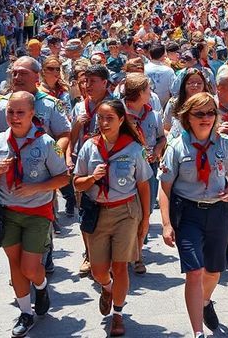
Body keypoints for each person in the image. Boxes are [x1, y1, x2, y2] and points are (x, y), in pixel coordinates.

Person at [0, 91, 69, 337]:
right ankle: (25, 313)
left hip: (37, 213)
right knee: (15, 265)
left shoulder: (47, 143)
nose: (15, 117)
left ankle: (41, 287)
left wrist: (36, 187)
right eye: (10, 112)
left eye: (20, 112)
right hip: (8, 212)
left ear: (32, 114)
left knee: (30, 268)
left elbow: (63, 178)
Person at [158, 92, 228, 338]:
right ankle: (198, 332)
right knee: (194, 271)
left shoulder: (224, 144)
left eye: (210, 113)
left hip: (217, 213)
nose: (206, 118)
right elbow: (165, 188)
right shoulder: (177, 146)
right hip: (188, 214)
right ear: (188, 118)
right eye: (199, 114)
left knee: (214, 271)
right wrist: (166, 224)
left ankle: (205, 301)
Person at [73, 99, 152, 337]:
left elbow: (143, 185)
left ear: (121, 120)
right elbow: (77, 183)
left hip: (125, 212)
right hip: (97, 212)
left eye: (110, 118)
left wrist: (145, 220)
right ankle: (107, 288)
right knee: (99, 271)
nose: (104, 123)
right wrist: (92, 178)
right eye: (100, 118)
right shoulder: (89, 147)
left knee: (120, 267)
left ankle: (118, 314)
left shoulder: (134, 149)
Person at [121, 72, 165, 273]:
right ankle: (123, 252)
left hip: (148, 168)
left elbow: (161, 138)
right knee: (125, 211)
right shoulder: (118, 112)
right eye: (148, 90)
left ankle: (138, 254)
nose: (151, 93)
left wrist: (157, 150)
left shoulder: (154, 115)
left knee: (145, 211)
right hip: (124, 169)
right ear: (139, 93)